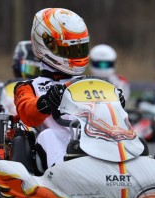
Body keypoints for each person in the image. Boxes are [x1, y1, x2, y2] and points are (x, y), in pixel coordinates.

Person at [14, 8, 125, 170]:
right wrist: (45, 102)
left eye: (79, 50)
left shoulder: (90, 83)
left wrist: (116, 104)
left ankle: (130, 170)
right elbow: (27, 114)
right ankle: (65, 173)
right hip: (58, 147)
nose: (75, 56)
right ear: (45, 45)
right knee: (48, 135)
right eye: (68, 50)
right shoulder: (29, 87)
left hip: (94, 140)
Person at [0, 40, 41, 115]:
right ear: (17, 66)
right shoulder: (2, 88)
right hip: (9, 122)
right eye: (29, 69)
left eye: (37, 71)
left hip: (34, 122)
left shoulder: (45, 88)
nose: (32, 75)